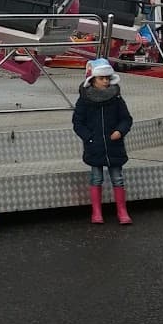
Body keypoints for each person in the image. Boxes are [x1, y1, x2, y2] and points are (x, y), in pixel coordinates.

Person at [71, 57, 133, 225]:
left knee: (117, 178)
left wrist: (120, 132)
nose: (105, 81)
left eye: (107, 78)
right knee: (96, 177)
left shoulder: (117, 98)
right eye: (101, 78)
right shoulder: (84, 100)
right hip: (94, 145)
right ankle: (96, 212)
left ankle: (122, 211)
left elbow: (126, 119)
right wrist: (89, 138)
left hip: (114, 144)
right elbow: (78, 122)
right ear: (92, 80)